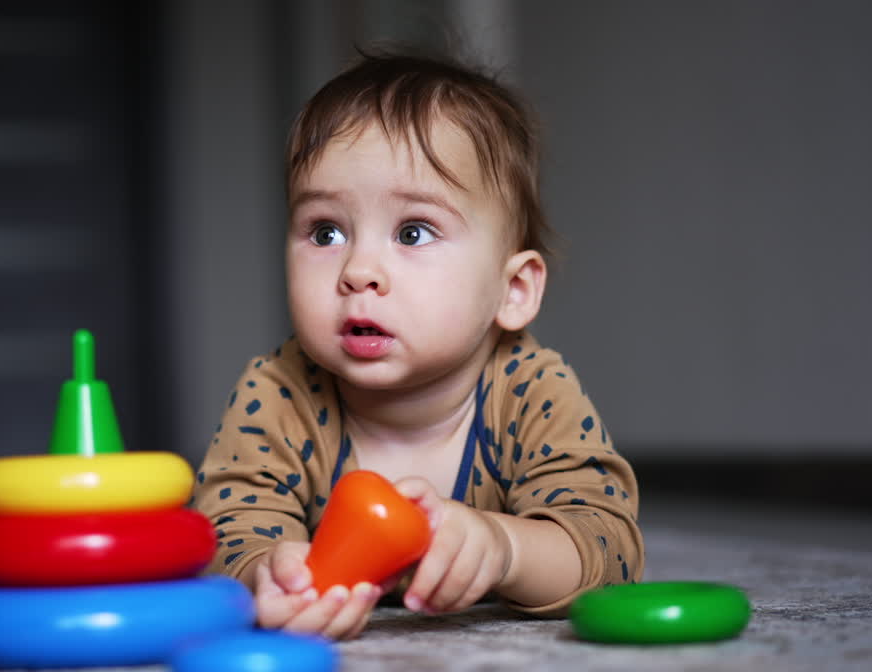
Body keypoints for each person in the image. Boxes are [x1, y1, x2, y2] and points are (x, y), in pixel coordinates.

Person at [190, 50, 643, 641]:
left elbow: (608, 547)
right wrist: (266, 573)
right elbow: (224, 523)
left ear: (512, 290)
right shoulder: (279, 390)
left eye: (412, 231)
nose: (358, 270)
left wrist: (504, 547)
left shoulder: (533, 390)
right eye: (325, 231)